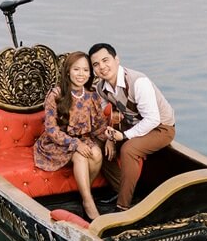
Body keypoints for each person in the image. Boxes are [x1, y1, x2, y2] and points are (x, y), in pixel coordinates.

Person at [88, 43, 176, 211]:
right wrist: (110, 137)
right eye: (96, 64)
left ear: (116, 59)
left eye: (105, 60)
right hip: (132, 124)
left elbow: (153, 119)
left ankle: (123, 206)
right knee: (99, 144)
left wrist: (124, 136)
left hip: (161, 127)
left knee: (129, 149)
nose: (102, 67)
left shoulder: (138, 82)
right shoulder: (101, 88)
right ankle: (121, 190)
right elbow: (111, 113)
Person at [33, 52, 111, 220]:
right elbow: (51, 129)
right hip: (56, 142)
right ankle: (88, 202)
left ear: (90, 74)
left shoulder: (92, 95)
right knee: (80, 156)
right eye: (76, 69)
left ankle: (84, 193)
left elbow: (99, 125)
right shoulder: (56, 94)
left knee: (96, 154)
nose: (81, 74)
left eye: (85, 70)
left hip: (83, 139)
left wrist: (111, 139)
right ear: (68, 71)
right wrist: (75, 144)